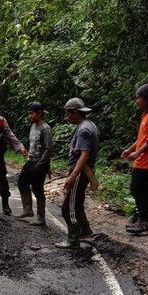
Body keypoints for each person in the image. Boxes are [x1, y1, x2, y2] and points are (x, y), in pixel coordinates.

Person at [121, 84, 148, 235]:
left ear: (147, 99)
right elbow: (142, 138)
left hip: (147, 161)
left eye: (139, 98)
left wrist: (137, 153)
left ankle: (145, 222)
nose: (137, 101)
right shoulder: (147, 115)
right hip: (142, 159)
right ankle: (144, 220)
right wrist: (131, 149)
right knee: (143, 190)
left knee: (137, 188)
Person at [57, 97, 100, 249]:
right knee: (77, 202)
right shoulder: (89, 125)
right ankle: (85, 231)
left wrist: (72, 176)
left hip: (81, 172)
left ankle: (73, 239)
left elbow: (84, 155)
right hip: (82, 171)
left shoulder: (83, 129)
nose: (67, 118)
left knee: (69, 207)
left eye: (68, 114)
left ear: (75, 112)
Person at [16, 102, 53, 226]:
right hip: (30, 160)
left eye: (32, 113)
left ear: (40, 113)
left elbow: (48, 149)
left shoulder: (46, 128)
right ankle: (27, 209)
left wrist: (43, 165)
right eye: (29, 114)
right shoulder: (33, 126)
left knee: (38, 189)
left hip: (39, 162)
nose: (30, 116)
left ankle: (41, 217)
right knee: (22, 182)